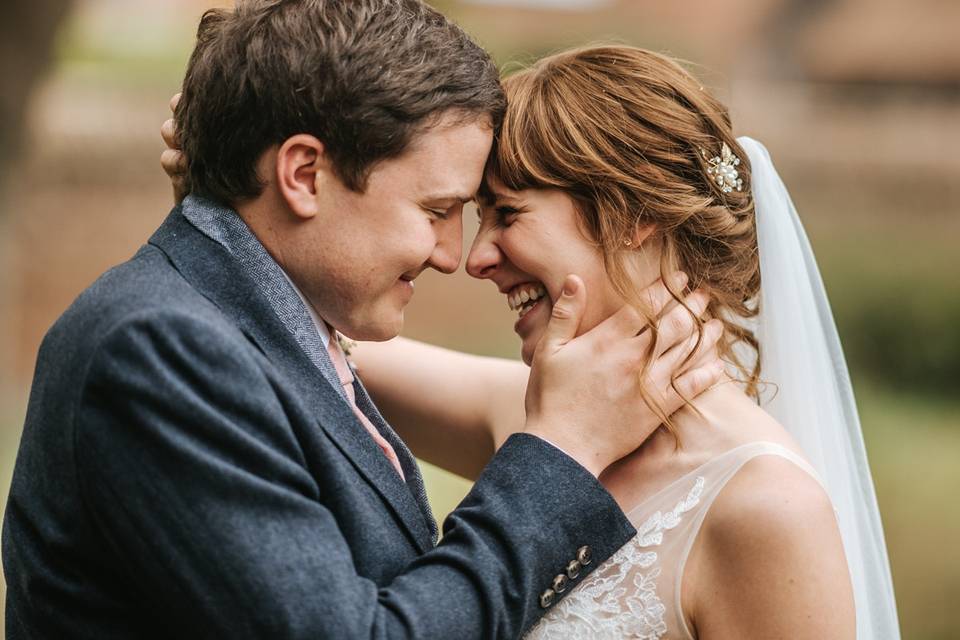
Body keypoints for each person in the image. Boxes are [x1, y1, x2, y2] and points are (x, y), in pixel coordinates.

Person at [1, 4, 725, 639]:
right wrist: (561, 451)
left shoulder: (252, 325)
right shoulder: (159, 347)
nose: (453, 256)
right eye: (437, 211)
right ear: (304, 175)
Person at [291, 46, 902, 638]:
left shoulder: (768, 507)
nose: (476, 258)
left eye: (507, 213)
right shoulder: (542, 414)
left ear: (634, 217)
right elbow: (307, 349)